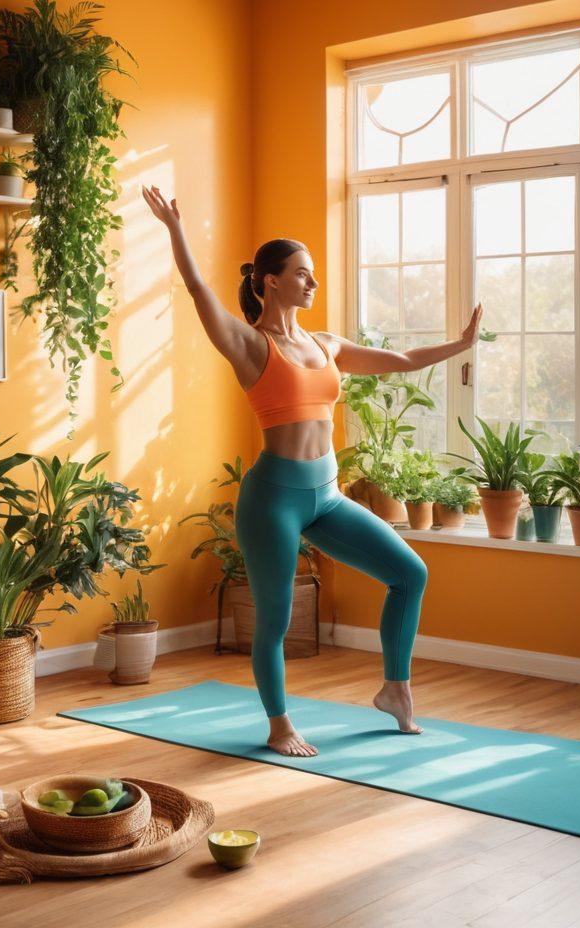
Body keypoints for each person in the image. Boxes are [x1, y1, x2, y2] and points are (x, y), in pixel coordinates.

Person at [143, 185, 483, 757]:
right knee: (274, 621)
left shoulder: (327, 344)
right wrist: (176, 230)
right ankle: (279, 726)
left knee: (410, 573)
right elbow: (200, 291)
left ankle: (395, 690)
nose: (313, 282)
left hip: (325, 495)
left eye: (314, 274)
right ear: (270, 280)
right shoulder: (250, 345)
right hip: (273, 499)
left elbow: (398, 363)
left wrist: (461, 344)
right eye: (303, 273)